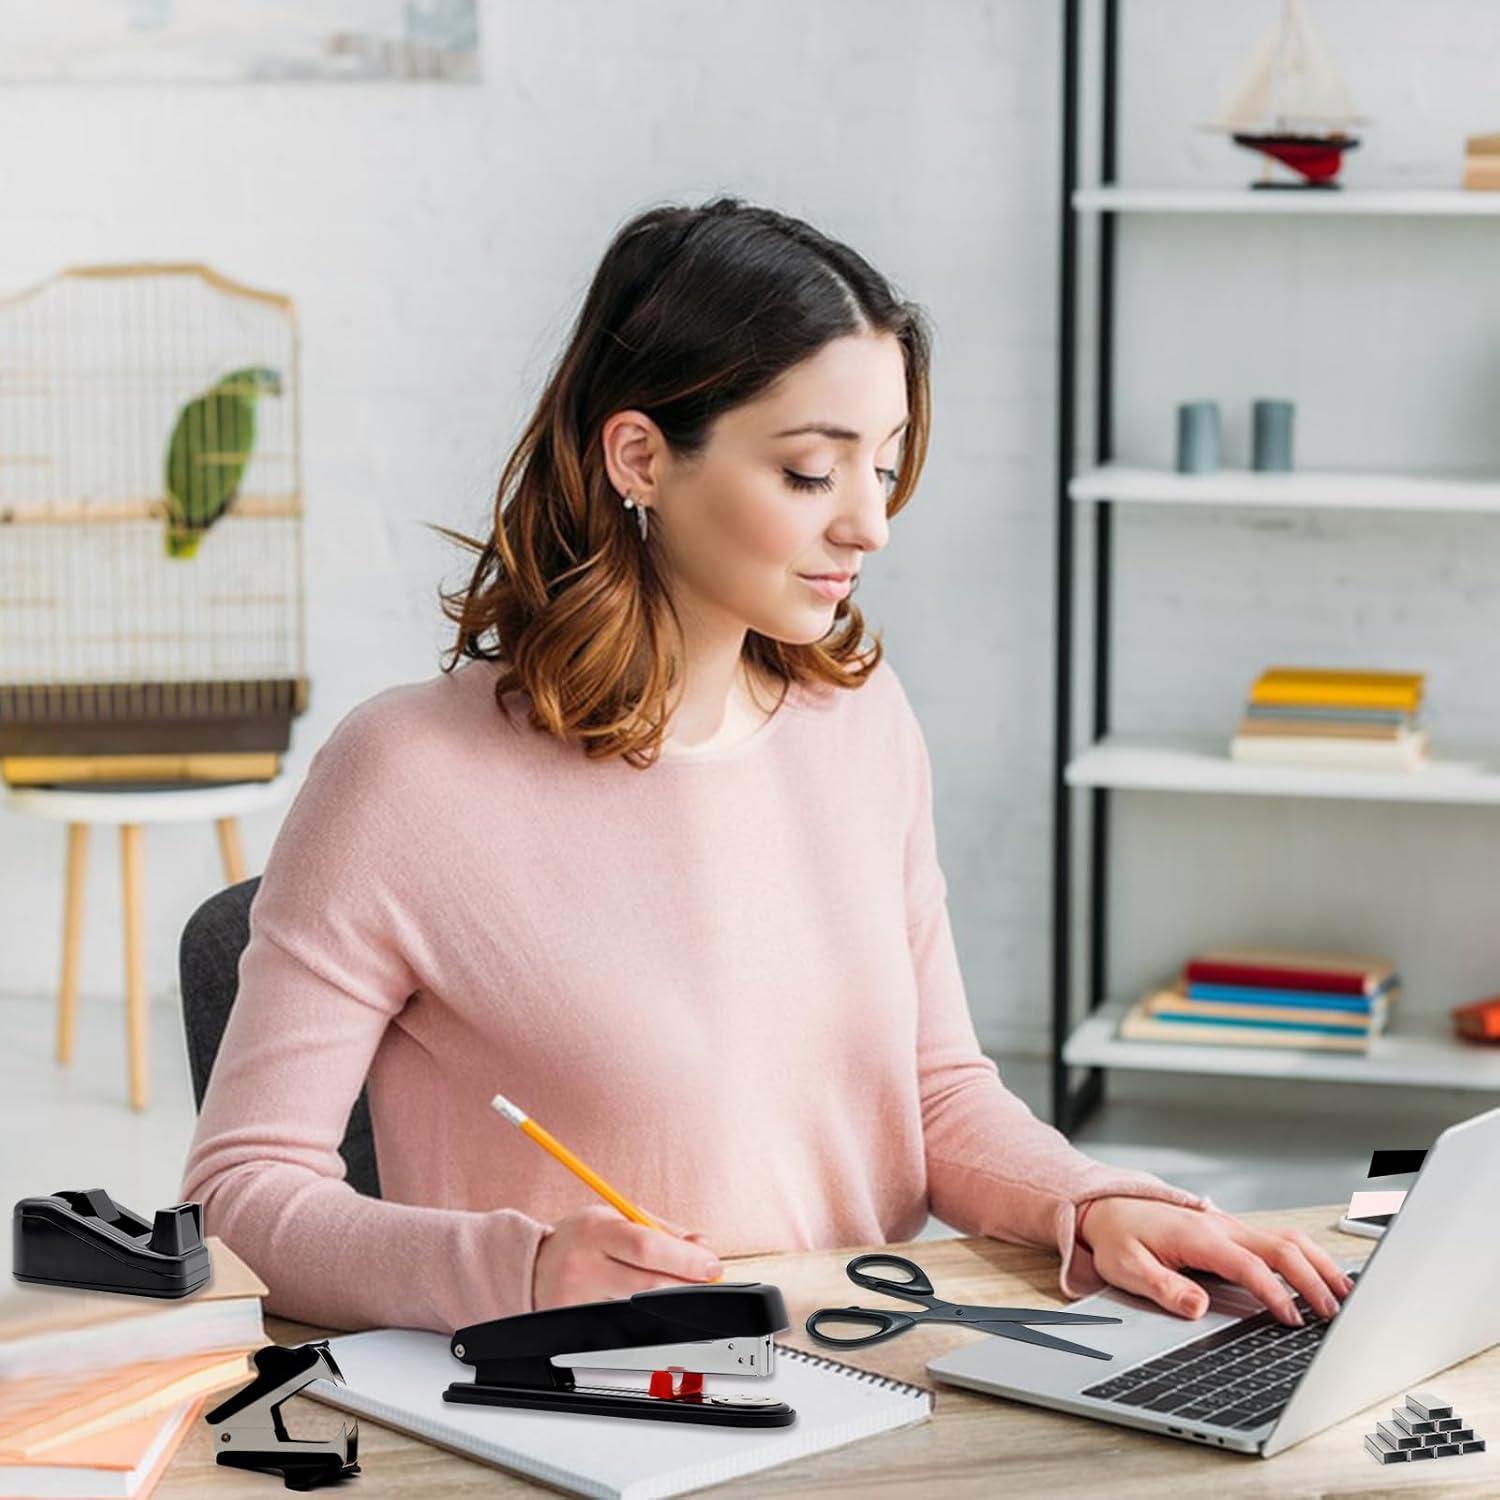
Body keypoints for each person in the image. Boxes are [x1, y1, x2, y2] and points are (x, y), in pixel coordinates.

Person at [181, 196, 1352, 1336]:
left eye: (882, 466)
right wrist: (521, 1269)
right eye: (810, 473)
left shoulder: (861, 721)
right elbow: (237, 1200)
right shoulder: (406, 774)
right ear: (640, 456)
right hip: (596, 1419)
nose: (868, 525)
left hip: (879, 1380)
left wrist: (1096, 1204)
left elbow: (933, 1093)